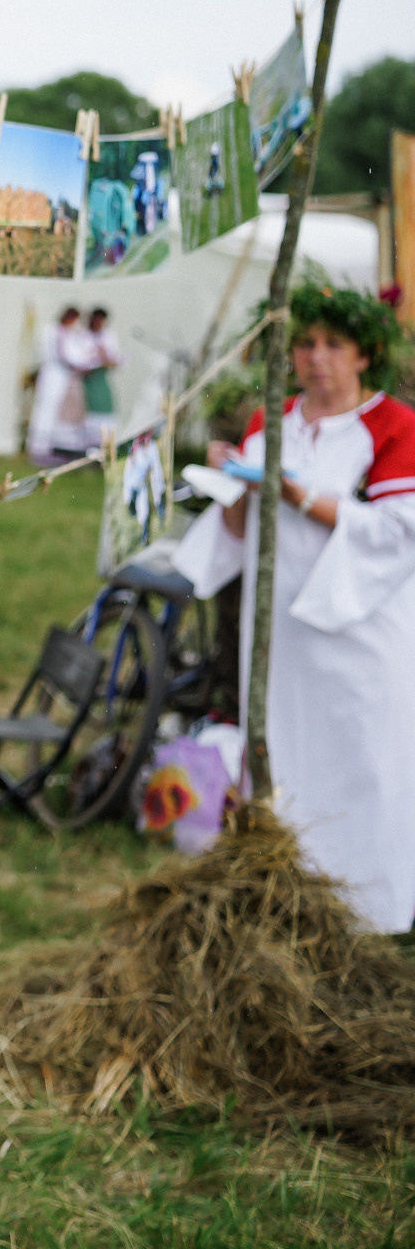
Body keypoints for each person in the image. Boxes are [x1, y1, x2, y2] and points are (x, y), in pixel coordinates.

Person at [173, 282, 415, 933]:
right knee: (284, 751)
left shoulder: (392, 425)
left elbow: (398, 530)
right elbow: (240, 527)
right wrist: (232, 481)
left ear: (365, 354)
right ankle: (290, 896)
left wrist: (294, 491)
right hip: (277, 626)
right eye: (305, 343)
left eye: (333, 344)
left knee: (365, 756)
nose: (316, 358)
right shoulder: (267, 422)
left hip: (360, 626)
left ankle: (376, 911)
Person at [27, 305, 93, 466]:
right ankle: (39, 447)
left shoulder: (64, 332)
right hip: (53, 376)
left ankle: (51, 445)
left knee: (56, 411)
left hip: (61, 377)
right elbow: (64, 355)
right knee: (46, 409)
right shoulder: (54, 331)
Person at [82, 306, 123, 448]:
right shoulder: (84, 335)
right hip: (87, 379)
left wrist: (104, 356)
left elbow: (113, 360)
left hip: (101, 377)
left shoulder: (108, 336)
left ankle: (105, 444)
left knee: (105, 409)